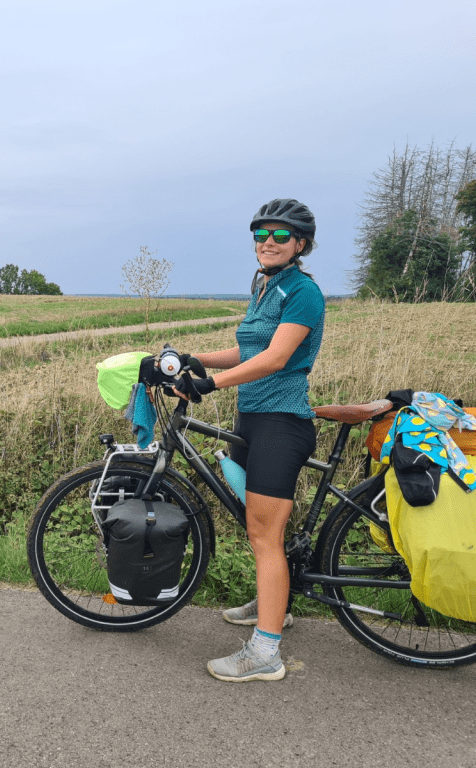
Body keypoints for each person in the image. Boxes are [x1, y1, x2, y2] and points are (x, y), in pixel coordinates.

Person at [173, 198, 324, 682]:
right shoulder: (264, 286)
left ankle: (265, 654)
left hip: (282, 422)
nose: (268, 242)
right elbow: (249, 349)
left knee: (264, 534)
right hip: (252, 419)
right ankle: (273, 603)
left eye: (280, 235)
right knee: (256, 524)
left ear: (300, 244)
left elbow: (276, 358)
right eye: (261, 234)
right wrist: (196, 359)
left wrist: (209, 384)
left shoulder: (302, 291)